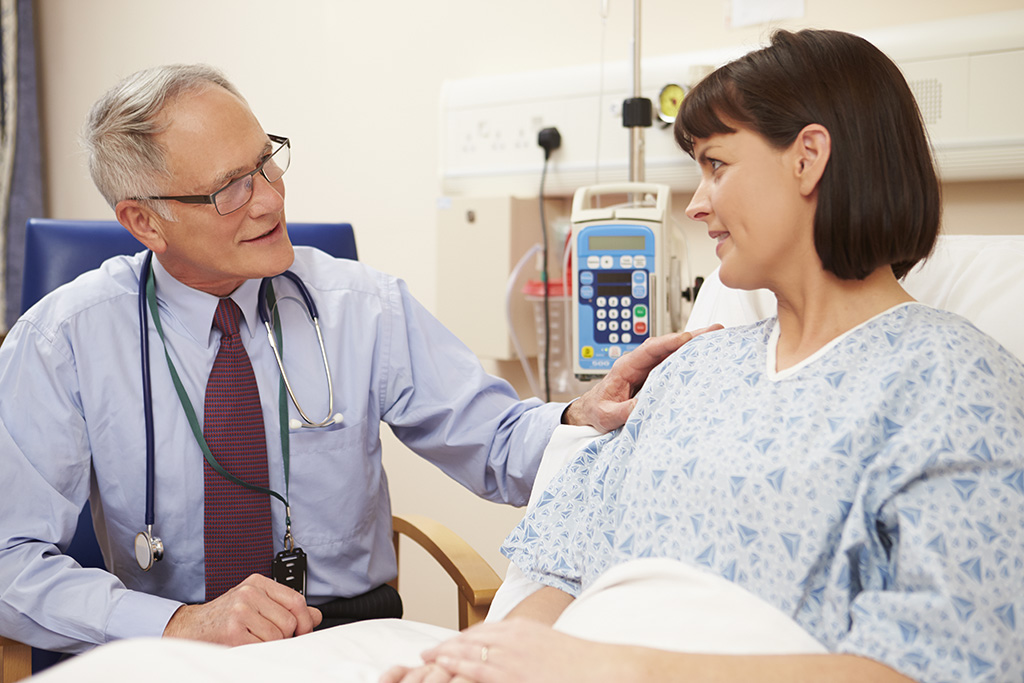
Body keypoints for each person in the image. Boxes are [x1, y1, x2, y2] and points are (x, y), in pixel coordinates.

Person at [384, 29, 1024, 683]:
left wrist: (600, 666)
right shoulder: (689, 371)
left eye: (716, 164)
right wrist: (475, 663)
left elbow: (946, 661)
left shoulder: (955, 381)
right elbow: (556, 563)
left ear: (808, 158)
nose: (695, 204)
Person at [0, 64, 701, 653]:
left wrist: (580, 414)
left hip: (343, 638)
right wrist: (179, 622)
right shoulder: (63, 342)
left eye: (265, 161)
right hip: (171, 648)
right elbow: (9, 564)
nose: (270, 200)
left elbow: (496, 441)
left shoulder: (362, 306)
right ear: (144, 221)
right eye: (229, 189)